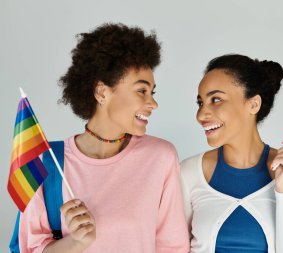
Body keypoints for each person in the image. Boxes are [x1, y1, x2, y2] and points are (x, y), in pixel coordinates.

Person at [18, 23, 189, 253]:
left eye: (152, 92)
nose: (153, 103)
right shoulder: (46, 161)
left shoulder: (161, 157)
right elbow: (30, 249)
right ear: (102, 92)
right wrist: (75, 242)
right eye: (141, 90)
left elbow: (172, 247)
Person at [180, 54, 283, 253]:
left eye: (216, 99)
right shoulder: (187, 173)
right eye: (200, 102)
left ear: (254, 104)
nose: (201, 115)